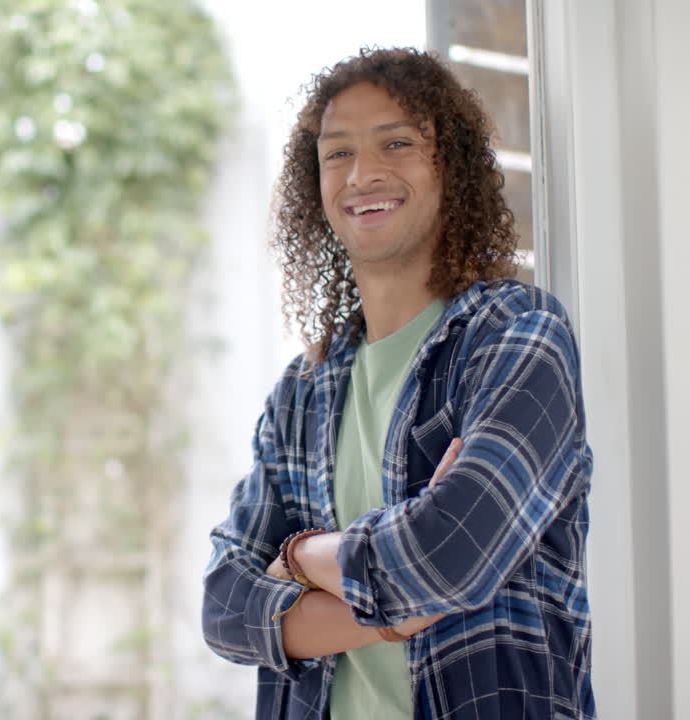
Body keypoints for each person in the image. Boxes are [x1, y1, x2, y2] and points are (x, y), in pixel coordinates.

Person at [201, 47, 594, 720]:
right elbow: (224, 608)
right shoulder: (301, 394)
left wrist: (298, 557)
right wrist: (390, 619)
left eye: (397, 143)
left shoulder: (518, 338)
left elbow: (447, 558)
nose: (363, 174)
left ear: (450, 168)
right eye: (338, 153)